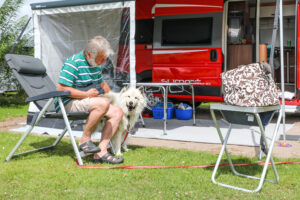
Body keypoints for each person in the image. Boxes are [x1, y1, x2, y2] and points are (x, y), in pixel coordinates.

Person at [55, 36, 124, 164]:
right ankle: (85, 139)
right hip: (67, 104)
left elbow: (102, 84)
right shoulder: (73, 63)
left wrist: (116, 98)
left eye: (105, 58)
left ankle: (101, 152)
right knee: (103, 103)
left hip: (84, 101)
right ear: (89, 54)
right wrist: (86, 94)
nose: (104, 62)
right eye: (101, 58)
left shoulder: (95, 64)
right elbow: (61, 88)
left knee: (118, 111)